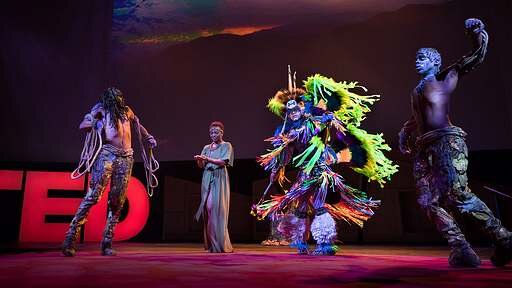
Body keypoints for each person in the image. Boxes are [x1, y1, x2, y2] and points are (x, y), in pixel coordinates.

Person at [399, 18, 512, 267]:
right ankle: (461, 248)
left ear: (435, 62)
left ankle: (504, 239)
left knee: (458, 195)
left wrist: (477, 32)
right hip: (424, 148)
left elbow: (474, 57)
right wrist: (405, 133)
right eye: (416, 57)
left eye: (423, 57)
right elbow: (416, 116)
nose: (417, 61)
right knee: (429, 202)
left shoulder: (444, 77)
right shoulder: (415, 90)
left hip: (447, 143)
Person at [252, 71, 398, 255]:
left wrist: (326, 119)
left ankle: (325, 244)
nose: (293, 113)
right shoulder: (287, 131)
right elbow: (285, 155)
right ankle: (300, 243)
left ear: (302, 107)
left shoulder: (314, 122)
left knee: (320, 205)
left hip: (320, 170)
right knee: (301, 207)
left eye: (296, 108)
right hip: (304, 172)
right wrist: (276, 168)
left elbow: (319, 125)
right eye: (289, 111)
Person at [62, 87, 157, 257]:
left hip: (126, 158)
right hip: (107, 154)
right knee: (93, 196)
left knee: (117, 201)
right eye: (116, 96)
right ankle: (70, 238)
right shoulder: (101, 109)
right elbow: (83, 125)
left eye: (121, 96)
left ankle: (106, 243)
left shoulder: (127, 111)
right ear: (108, 98)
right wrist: (96, 123)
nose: (120, 99)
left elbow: (137, 125)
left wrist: (147, 135)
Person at [194, 121, 234, 253]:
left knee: (216, 209)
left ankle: (219, 243)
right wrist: (200, 160)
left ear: (222, 132)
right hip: (207, 177)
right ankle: (212, 243)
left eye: (216, 132)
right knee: (209, 210)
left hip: (219, 177)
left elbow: (223, 162)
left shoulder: (226, 145)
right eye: (211, 132)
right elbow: (201, 166)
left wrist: (207, 159)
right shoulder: (206, 147)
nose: (213, 134)